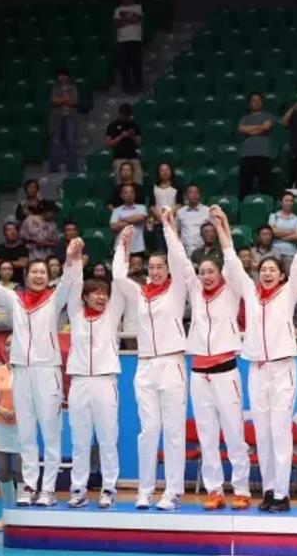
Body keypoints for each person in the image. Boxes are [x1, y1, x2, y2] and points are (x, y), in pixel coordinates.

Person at [212, 205, 297, 514]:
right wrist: (223, 225)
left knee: (280, 431)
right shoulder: (250, 294)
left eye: (272, 270)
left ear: (282, 275)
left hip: (282, 368)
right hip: (256, 369)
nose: (267, 273)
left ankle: (282, 494)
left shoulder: (288, 292)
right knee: (262, 434)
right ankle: (268, 490)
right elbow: (231, 260)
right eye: (263, 270)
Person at [160, 209, 252, 511]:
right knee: (207, 435)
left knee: (234, 433)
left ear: (220, 273)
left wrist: (222, 225)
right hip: (199, 373)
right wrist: (168, 226)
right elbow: (179, 259)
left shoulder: (232, 290)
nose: (206, 276)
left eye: (211, 272)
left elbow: (232, 259)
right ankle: (214, 490)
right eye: (203, 273)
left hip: (226, 372)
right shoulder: (195, 290)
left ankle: (241, 489)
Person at [0, 239, 82, 506]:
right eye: (34, 272)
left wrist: (71, 258)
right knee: (26, 433)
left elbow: (68, 280)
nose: (39, 276)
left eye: (43, 272)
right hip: (21, 372)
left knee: (51, 432)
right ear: (26, 275)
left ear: (48, 276)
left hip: (47, 371)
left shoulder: (54, 298)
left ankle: (48, 489)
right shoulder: (14, 300)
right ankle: (29, 486)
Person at [112, 222, 189, 511]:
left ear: (168, 270)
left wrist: (168, 228)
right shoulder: (140, 294)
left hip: (172, 363)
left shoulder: (178, 289)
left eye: (160, 267)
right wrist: (122, 245)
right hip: (144, 366)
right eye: (152, 267)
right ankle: (144, 490)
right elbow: (118, 277)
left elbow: (179, 257)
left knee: (173, 431)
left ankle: (173, 492)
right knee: (148, 430)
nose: (155, 271)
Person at [63, 238, 123, 510]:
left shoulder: (112, 314)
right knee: (80, 441)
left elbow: (119, 282)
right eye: (96, 293)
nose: (101, 297)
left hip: (105, 381)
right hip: (78, 383)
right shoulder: (75, 313)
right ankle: (78, 489)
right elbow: (73, 284)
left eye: (104, 293)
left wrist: (121, 247)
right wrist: (74, 258)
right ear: (86, 296)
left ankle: (109, 489)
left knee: (108, 438)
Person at [0, 338, 18, 530]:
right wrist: (0, 408)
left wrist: (20, 409)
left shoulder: (29, 372)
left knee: (23, 473)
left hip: (23, 429)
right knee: (3, 472)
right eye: (7, 343)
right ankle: (7, 514)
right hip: (1, 428)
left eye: (13, 343)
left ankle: (22, 516)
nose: (9, 347)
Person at [237, 93, 278, 200]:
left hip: (264, 154)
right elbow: (241, 129)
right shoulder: (245, 118)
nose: (256, 103)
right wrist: (259, 127)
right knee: (244, 186)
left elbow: (266, 127)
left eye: (258, 100)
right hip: (247, 155)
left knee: (265, 186)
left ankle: (267, 206)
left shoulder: (268, 116)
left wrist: (250, 130)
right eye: (253, 100)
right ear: (249, 103)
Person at [113, 0, 144, 94]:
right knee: (124, 66)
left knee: (136, 65)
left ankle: (138, 86)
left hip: (135, 40)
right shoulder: (117, 9)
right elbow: (116, 24)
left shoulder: (138, 7)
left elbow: (136, 19)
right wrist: (129, 19)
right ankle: (127, 88)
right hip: (122, 41)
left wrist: (123, 20)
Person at [48, 67, 78, 174]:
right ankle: (54, 168)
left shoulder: (73, 88)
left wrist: (60, 101)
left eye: (64, 75)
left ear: (67, 77)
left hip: (70, 117)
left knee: (70, 142)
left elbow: (74, 102)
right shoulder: (55, 88)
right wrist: (65, 99)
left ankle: (72, 168)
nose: (63, 77)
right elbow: (53, 101)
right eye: (61, 75)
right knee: (56, 142)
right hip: (57, 119)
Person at [104, 102, 142, 183]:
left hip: (133, 157)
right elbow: (108, 143)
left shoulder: (134, 125)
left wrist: (132, 136)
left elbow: (139, 143)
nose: (126, 117)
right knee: (120, 183)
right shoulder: (112, 126)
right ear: (121, 114)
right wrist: (121, 136)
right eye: (125, 115)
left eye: (128, 115)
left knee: (138, 180)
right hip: (119, 158)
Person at [150, 162, 180, 253]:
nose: (165, 172)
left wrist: (168, 216)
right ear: (158, 173)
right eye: (162, 170)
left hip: (173, 223)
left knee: (173, 250)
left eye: (167, 170)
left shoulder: (177, 187)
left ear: (171, 171)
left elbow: (179, 204)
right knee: (161, 251)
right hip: (158, 223)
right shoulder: (154, 188)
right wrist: (160, 217)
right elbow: (152, 206)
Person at [268, 191, 297, 268]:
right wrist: (291, 232)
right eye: (286, 200)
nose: (289, 203)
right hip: (274, 250)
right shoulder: (274, 216)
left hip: (291, 252)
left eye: (291, 201)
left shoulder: (296, 219)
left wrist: (279, 236)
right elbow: (272, 232)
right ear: (281, 202)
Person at [175, 184, 210, 258]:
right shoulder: (180, 212)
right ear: (186, 196)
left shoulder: (207, 211)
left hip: (203, 251)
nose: (194, 195)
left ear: (200, 195)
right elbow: (177, 231)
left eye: (197, 192)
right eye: (191, 192)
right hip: (184, 252)